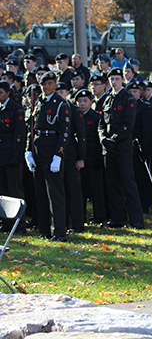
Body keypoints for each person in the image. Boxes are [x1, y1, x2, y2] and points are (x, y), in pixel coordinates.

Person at [25, 71, 70, 242]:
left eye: (50, 83)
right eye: (44, 84)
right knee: (41, 193)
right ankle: (45, 229)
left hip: (52, 150)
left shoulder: (60, 104)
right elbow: (32, 128)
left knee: (55, 194)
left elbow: (64, 133)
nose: (46, 87)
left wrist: (58, 155)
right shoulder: (39, 102)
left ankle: (58, 231)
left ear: (56, 85)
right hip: (39, 150)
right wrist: (28, 151)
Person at [98, 67, 144, 229]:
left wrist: (113, 140)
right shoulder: (107, 99)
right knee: (112, 185)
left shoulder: (128, 99)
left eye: (117, 78)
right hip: (108, 149)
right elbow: (101, 124)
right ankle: (117, 218)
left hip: (122, 148)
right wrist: (103, 138)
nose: (114, 81)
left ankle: (136, 219)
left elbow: (128, 125)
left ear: (122, 80)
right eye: (111, 79)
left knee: (128, 184)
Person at [56, 82, 87, 234]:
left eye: (62, 91)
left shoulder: (74, 110)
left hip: (71, 154)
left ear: (67, 93)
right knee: (61, 189)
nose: (60, 94)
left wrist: (81, 157)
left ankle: (78, 223)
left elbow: (81, 135)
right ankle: (64, 221)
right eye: (58, 91)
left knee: (74, 189)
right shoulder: (55, 108)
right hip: (57, 155)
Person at [75, 89, 106, 225]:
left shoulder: (96, 117)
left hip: (93, 158)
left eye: (85, 101)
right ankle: (80, 217)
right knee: (80, 189)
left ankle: (99, 216)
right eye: (80, 101)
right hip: (78, 158)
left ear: (91, 102)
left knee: (96, 189)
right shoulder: (74, 116)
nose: (82, 104)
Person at [0, 81, 26, 234]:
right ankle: (6, 224)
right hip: (1, 156)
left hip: (12, 156)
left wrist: (16, 157)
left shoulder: (16, 110)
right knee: (2, 192)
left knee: (15, 192)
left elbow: (19, 135)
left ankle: (19, 225)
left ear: (8, 93)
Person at [128, 81, 152, 214]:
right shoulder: (126, 106)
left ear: (140, 93)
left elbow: (148, 130)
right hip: (127, 147)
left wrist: (146, 149)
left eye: (135, 91)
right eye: (131, 92)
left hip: (140, 147)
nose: (133, 94)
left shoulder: (145, 108)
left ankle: (145, 203)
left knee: (143, 176)